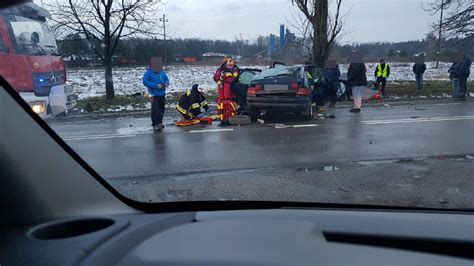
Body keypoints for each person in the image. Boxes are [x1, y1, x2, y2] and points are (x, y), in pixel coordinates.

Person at [143, 57, 169, 131]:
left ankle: (160, 122)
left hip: (162, 93)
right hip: (153, 94)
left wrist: (166, 84)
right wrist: (155, 85)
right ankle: (155, 124)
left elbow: (167, 79)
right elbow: (145, 82)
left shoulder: (162, 72)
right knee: (155, 110)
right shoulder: (148, 73)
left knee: (161, 109)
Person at [214, 57, 240, 125]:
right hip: (222, 90)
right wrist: (219, 81)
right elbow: (216, 77)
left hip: (231, 89)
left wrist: (226, 76)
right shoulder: (220, 70)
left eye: (232, 62)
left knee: (231, 102)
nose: (231, 63)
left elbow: (234, 77)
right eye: (229, 61)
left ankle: (232, 116)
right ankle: (221, 116)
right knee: (221, 102)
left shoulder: (235, 69)